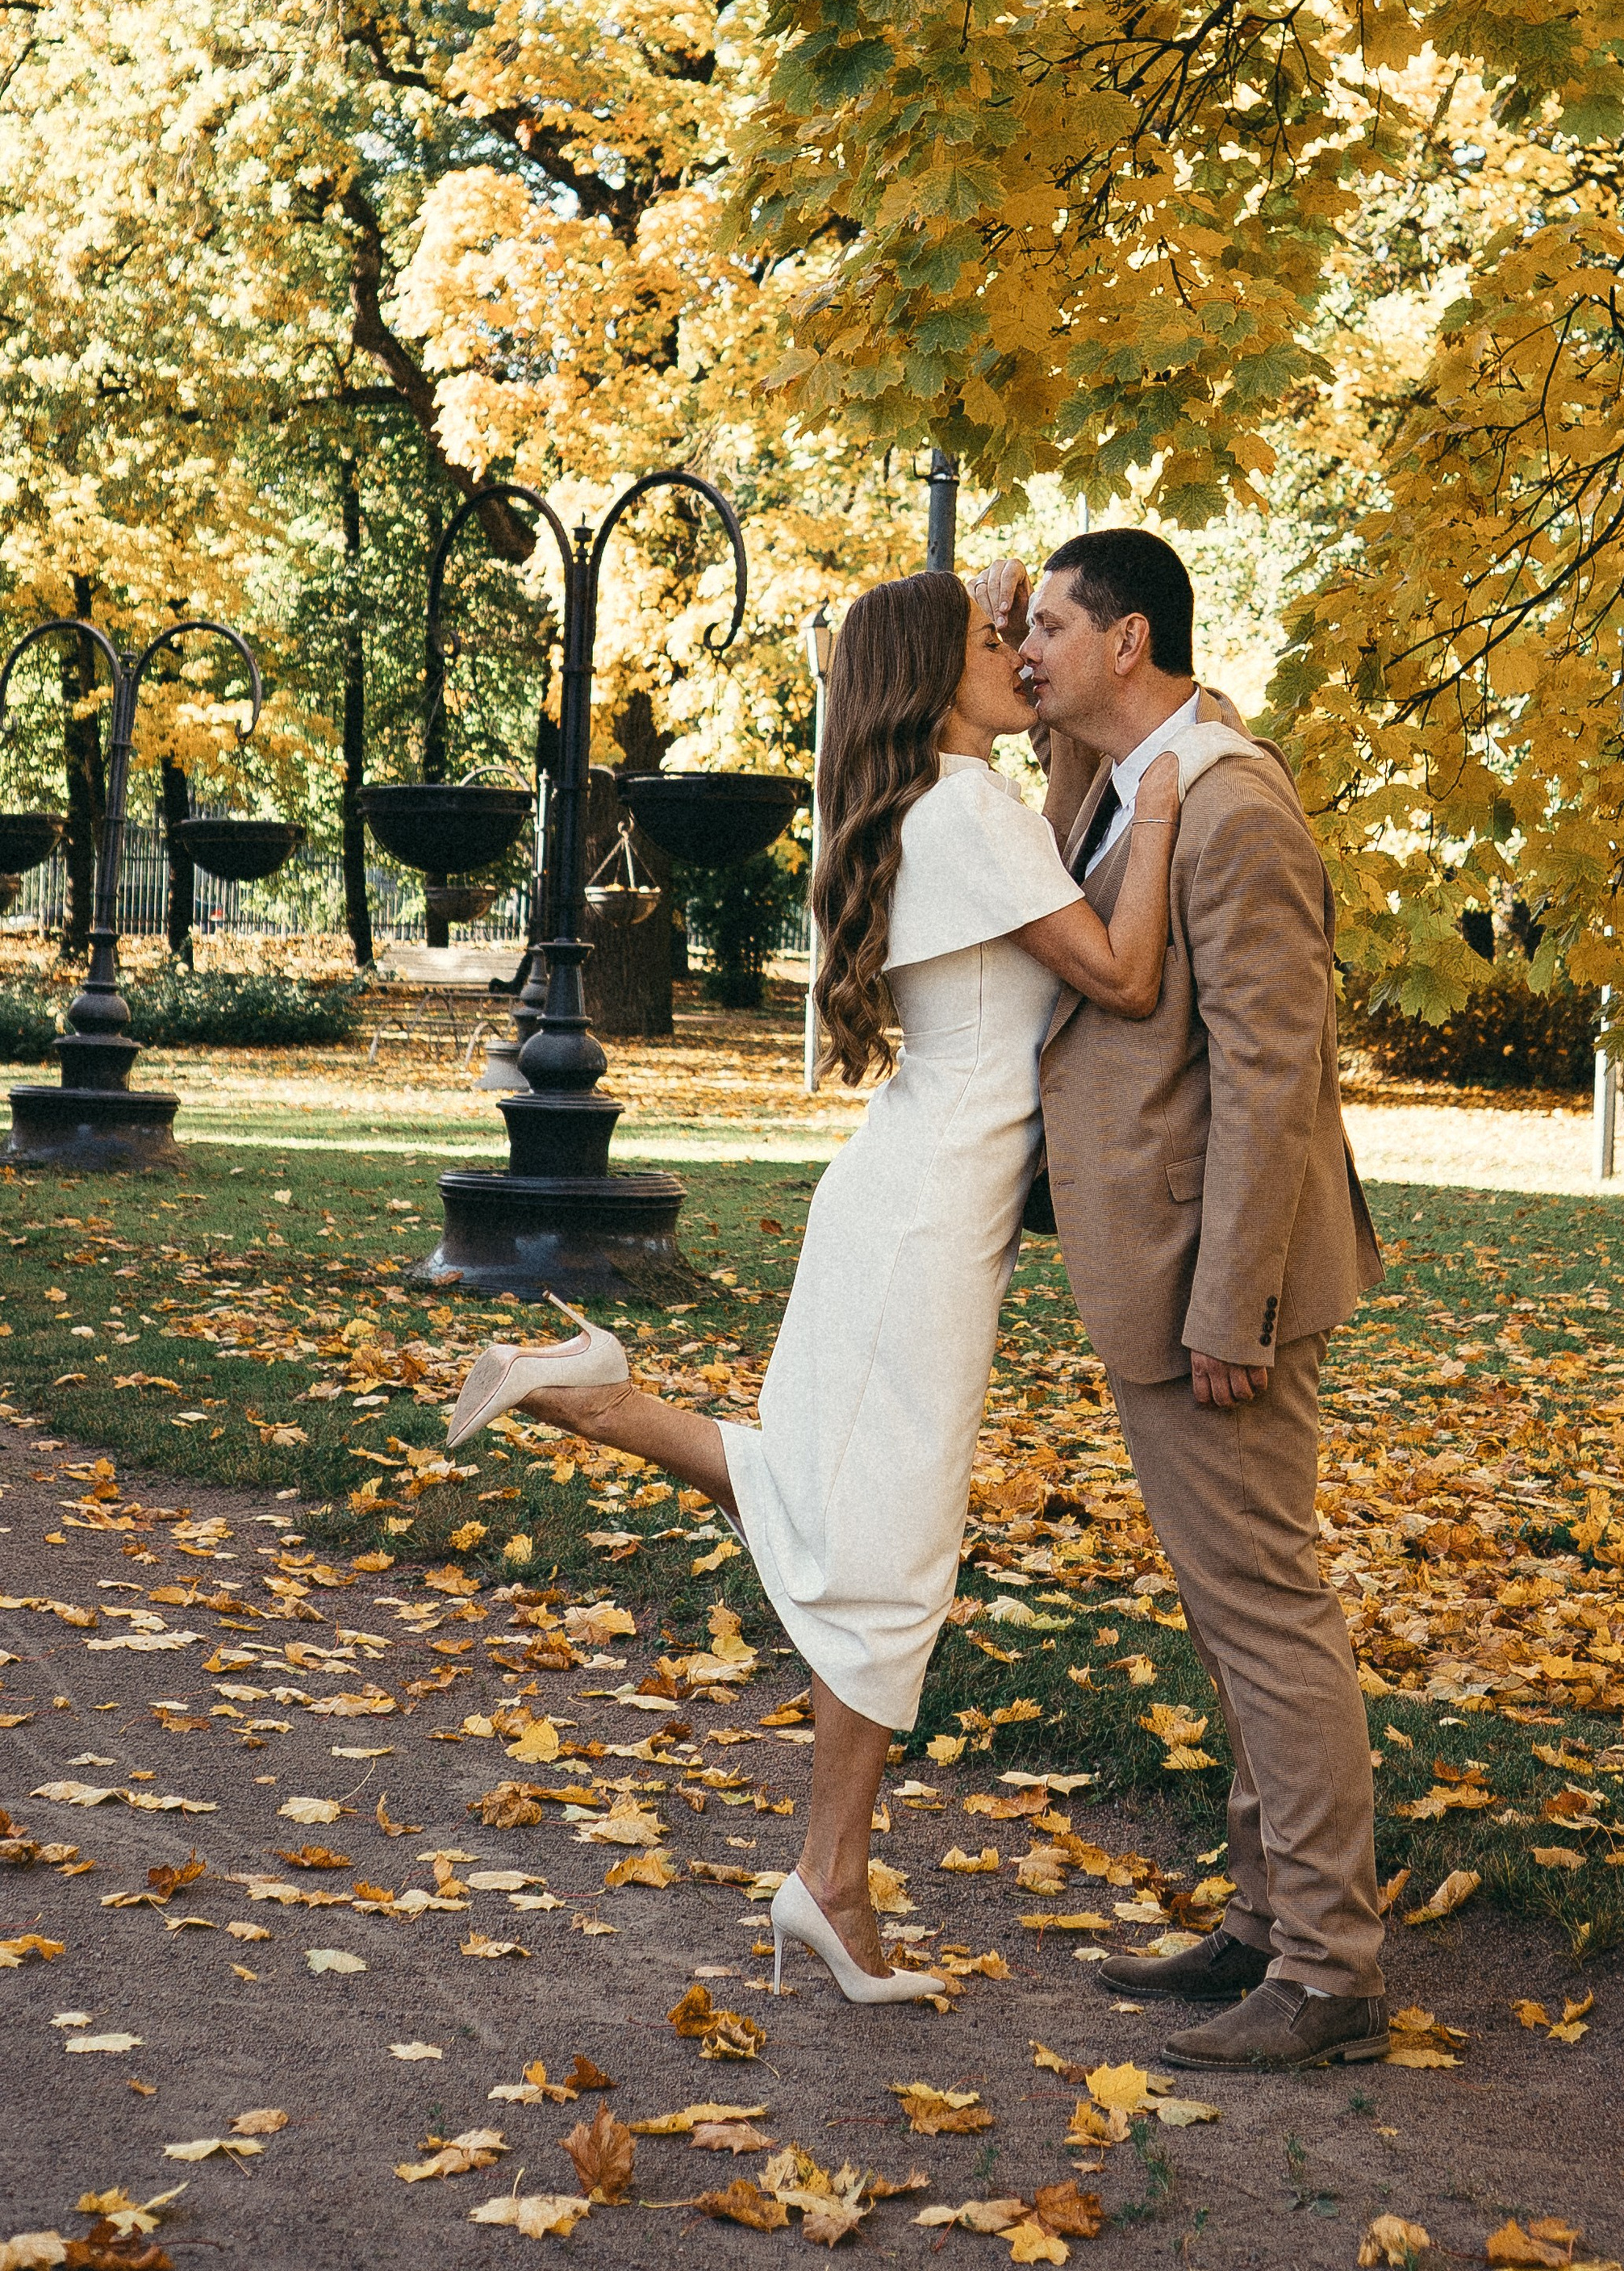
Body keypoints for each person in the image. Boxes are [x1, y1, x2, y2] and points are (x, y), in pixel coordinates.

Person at [442, 569, 1182, 2010]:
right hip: (921, 1220)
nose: (1023, 659)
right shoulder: (962, 814)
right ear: (928, 677)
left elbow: (1034, 764)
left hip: (909, 1196)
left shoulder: (941, 804)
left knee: (844, 1513)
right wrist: (1162, 801)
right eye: (995, 640)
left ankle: (582, 1391)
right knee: (892, 1555)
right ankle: (830, 1883)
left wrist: (992, 629)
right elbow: (1129, 975)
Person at [974, 531, 1388, 2070]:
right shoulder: (1135, 782)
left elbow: (1278, 1077)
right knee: (1233, 1617)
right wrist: (1014, 641)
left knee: (1268, 1615)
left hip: (1220, 1287)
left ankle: (1331, 1967)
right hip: (1162, 1265)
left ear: (1134, 637)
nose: (1027, 656)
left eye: (1057, 630)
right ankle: (1267, 1921)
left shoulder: (1228, 804)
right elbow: (1061, 801)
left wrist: (1234, 1306)